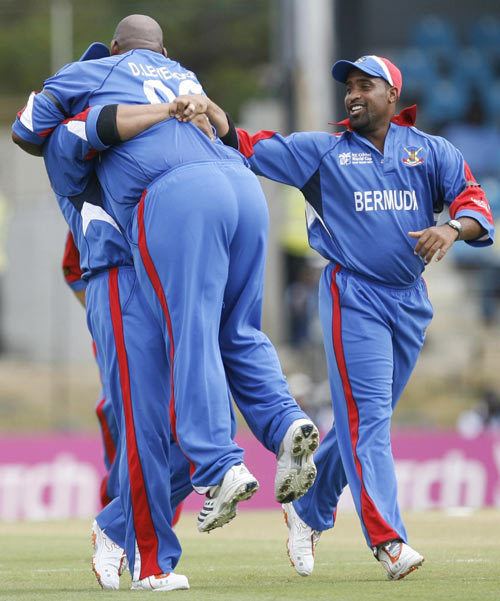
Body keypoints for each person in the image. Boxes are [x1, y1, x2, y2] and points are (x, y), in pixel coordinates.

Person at [12, 18, 320, 589]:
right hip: (117, 279)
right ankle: (153, 562)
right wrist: (168, 109)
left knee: (187, 402)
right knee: (144, 424)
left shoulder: (153, 129)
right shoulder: (72, 133)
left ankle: (115, 525)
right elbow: (77, 132)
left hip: (162, 251)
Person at [181, 55, 495, 580]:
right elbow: (247, 145)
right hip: (354, 296)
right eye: (349, 86)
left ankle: (306, 510)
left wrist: (453, 229)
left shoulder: (429, 151)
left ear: (392, 96)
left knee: (360, 424)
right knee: (367, 423)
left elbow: (474, 200)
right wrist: (214, 114)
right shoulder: (323, 152)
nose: (353, 93)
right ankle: (389, 542)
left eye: (365, 85)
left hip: (409, 300)